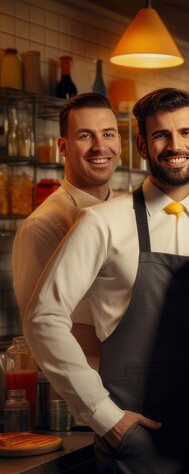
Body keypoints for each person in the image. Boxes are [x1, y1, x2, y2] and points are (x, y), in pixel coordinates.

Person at [24, 88, 189, 474]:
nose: (174, 144)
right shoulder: (103, 222)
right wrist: (107, 419)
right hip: (137, 440)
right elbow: (44, 317)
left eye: (185, 132)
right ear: (142, 147)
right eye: (161, 134)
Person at [13, 92, 120, 365]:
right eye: (85, 136)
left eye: (108, 134)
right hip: (86, 390)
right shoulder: (40, 227)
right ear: (63, 146)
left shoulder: (129, 211)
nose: (100, 147)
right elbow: (42, 330)